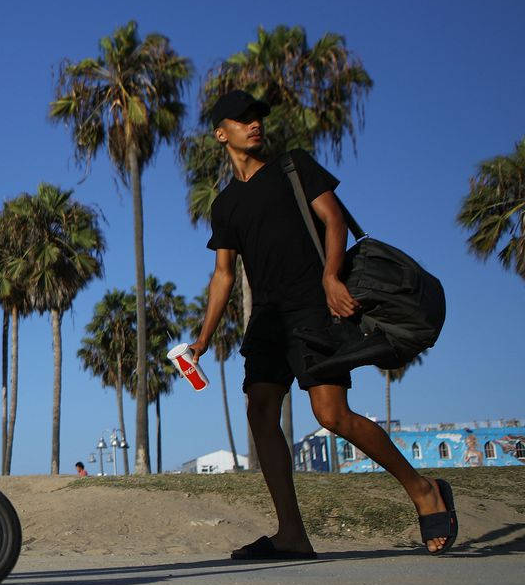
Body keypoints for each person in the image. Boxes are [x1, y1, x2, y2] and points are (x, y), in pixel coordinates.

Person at [186, 90, 458, 558]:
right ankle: (291, 533)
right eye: (243, 118)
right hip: (268, 319)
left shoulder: (293, 166)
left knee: (331, 416)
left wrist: (331, 277)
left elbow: (333, 220)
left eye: (258, 117)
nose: (254, 124)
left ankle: (423, 489)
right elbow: (224, 274)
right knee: (260, 412)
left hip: (314, 308)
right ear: (220, 133)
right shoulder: (225, 205)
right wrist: (204, 337)